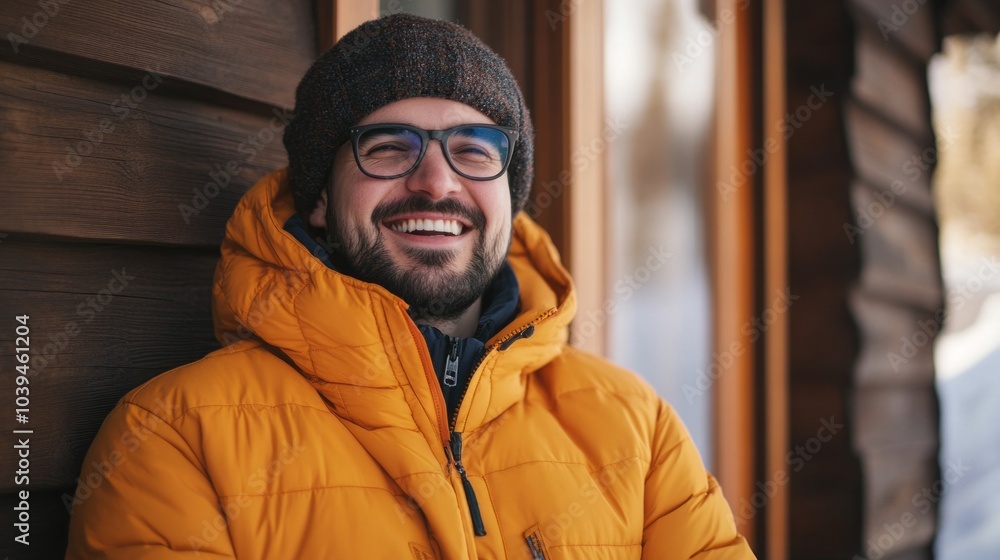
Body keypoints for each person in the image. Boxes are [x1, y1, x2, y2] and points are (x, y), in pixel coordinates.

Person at [66, 14, 754, 559]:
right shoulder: (175, 439)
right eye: (389, 147)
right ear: (319, 200)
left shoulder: (635, 428)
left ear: (507, 205)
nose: (436, 182)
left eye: (474, 150)